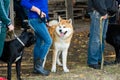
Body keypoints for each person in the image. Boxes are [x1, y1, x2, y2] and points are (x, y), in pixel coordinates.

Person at [21, 0, 52, 76]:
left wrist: (46, 19)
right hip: (35, 19)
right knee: (48, 41)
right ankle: (38, 66)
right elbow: (23, 2)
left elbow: (43, 4)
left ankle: (36, 68)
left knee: (39, 41)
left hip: (41, 19)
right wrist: (38, 11)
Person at [87, 0, 113, 69]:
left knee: (102, 38)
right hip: (98, 12)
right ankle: (93, 61)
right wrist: (103, 12)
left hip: (104, 12)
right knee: (96, 38)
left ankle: (99, 59)